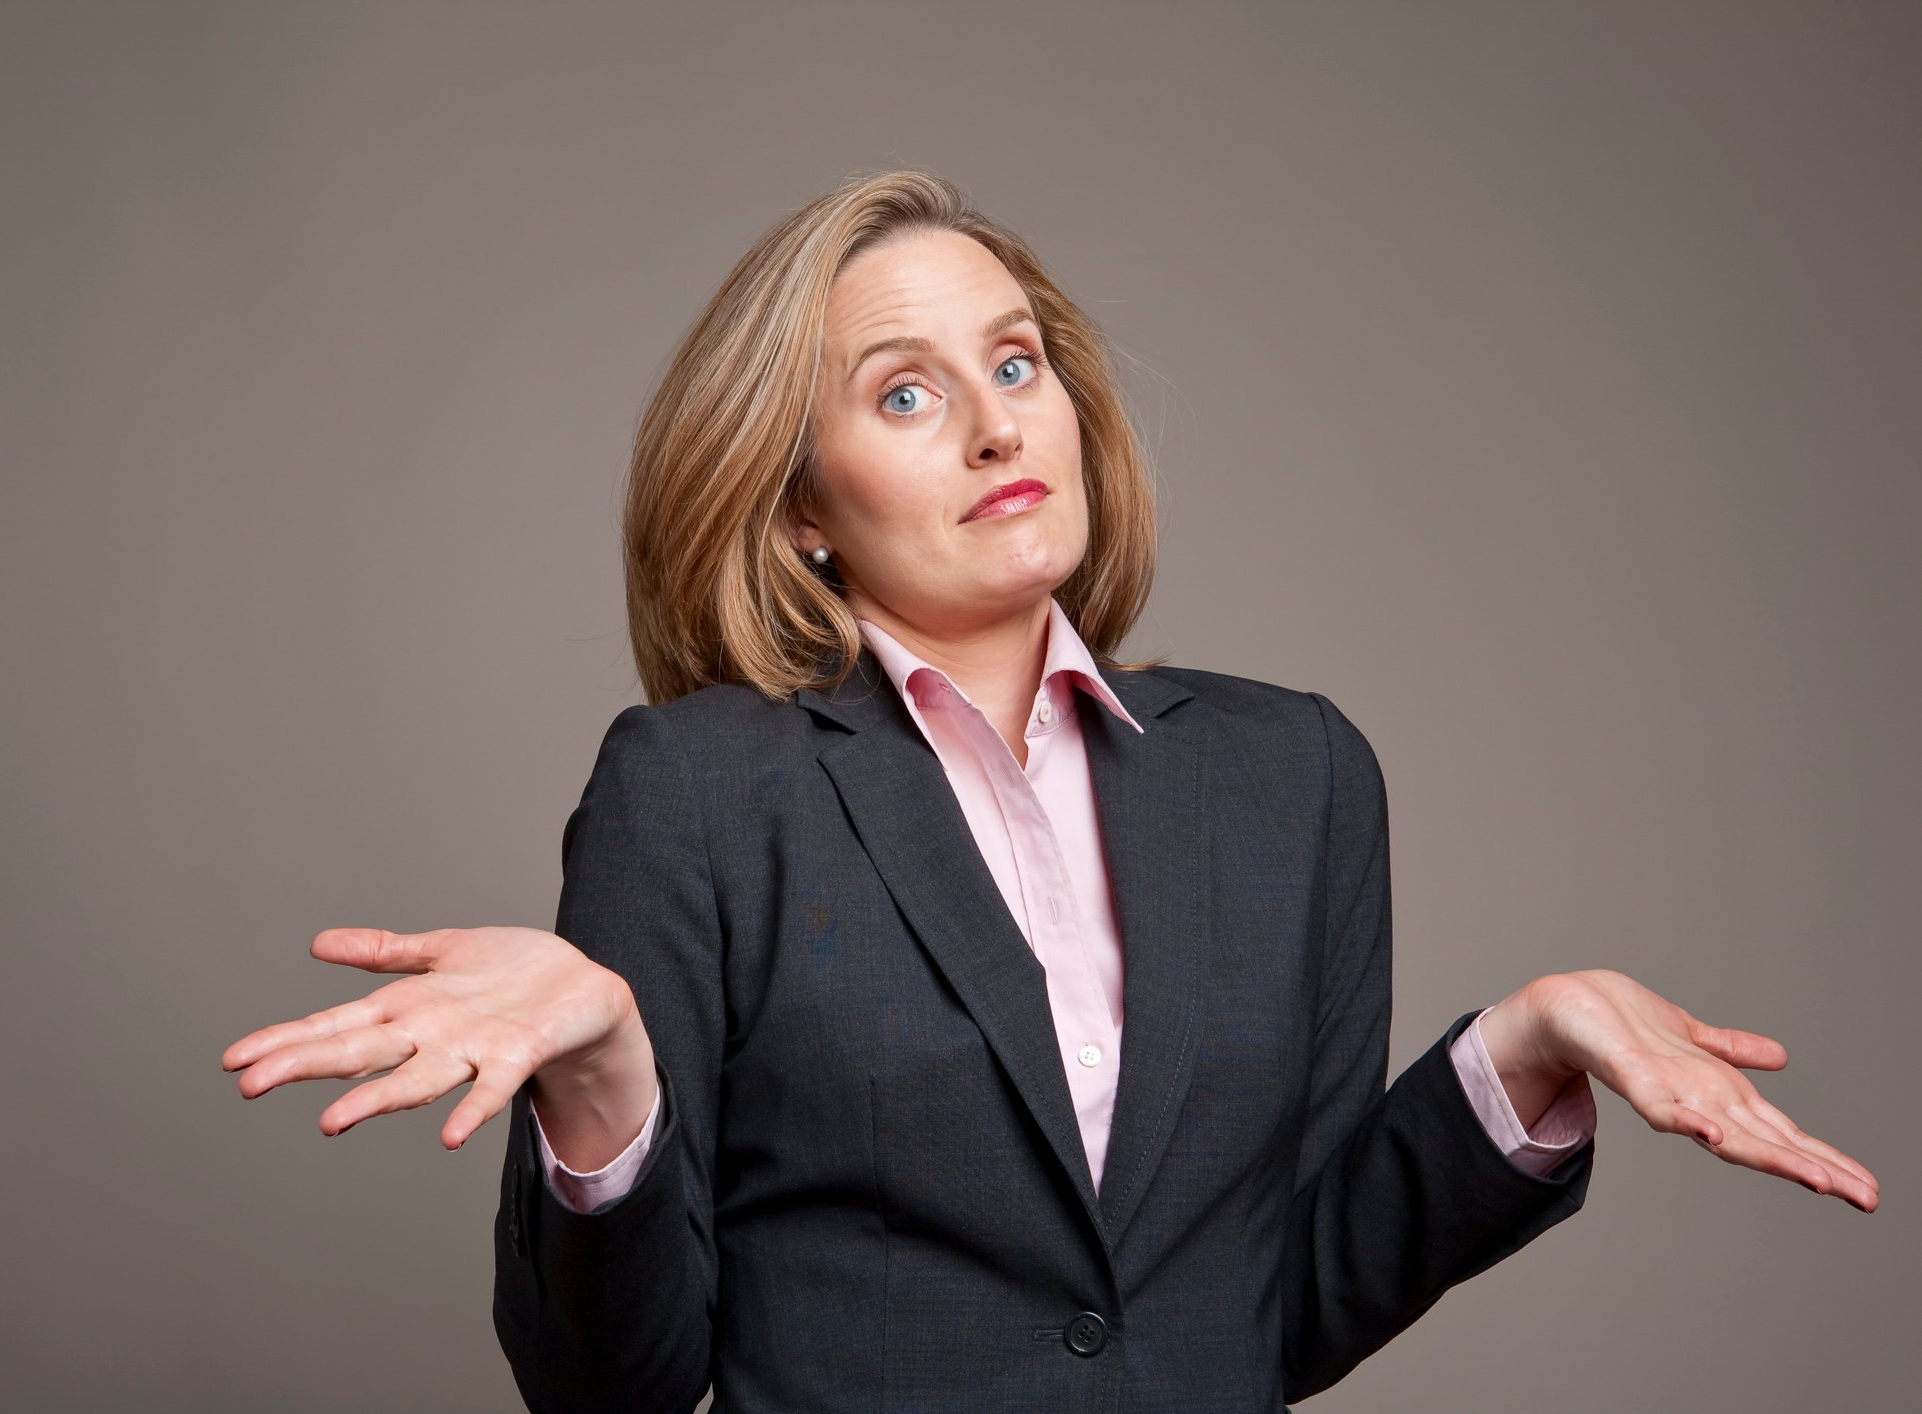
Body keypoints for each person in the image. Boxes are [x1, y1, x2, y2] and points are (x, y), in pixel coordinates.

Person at [221, 170, 1878, 1413]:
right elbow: (615, 1388)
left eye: (1013, 363)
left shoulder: (1293, 774)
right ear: (800, 505)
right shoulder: (699, 793)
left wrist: (1515, 1051)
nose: (993, 426)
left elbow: (1265, 1311)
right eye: (904, 391)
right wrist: (600, 1079)